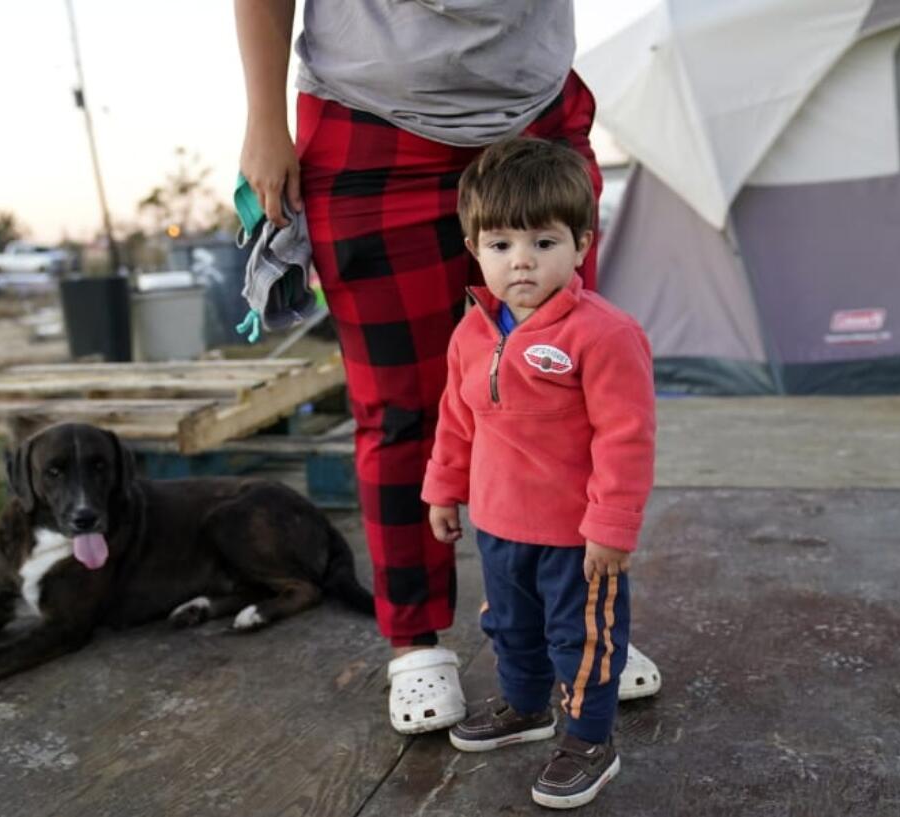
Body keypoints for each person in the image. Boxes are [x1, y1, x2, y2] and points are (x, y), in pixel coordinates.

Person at [233, 0, 660, 738]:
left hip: (534, 116)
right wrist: (263, 119)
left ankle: (583, 629)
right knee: (399, 406)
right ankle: (415, 642)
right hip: (371, 121)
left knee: (564, 395)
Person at [423, 136, 655, 809]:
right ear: (474, 248)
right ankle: (526, 707)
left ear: (582, 243)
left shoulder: (604, 334)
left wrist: (611, 525)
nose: (521, 260)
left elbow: (627, 436)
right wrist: (443, 486)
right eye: (500, 245)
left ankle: (588, 737)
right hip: (498, 525)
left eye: (543, 242)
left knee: (580, 636)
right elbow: (457, 416)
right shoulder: (470, 332)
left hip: (576, 538)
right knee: (509, 625)